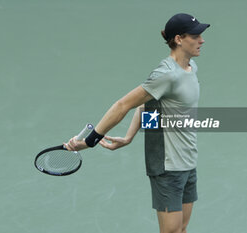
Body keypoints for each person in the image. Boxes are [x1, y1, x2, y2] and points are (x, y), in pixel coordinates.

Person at [65, 13, 210, 233]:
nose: (202, 40)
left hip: (188, 161)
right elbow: (123, 105)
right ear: (179, 39)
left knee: (181, 228)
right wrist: (92, 140)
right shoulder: (166, 75)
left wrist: (129, 136)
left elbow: (148, 106)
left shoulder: (191, 68)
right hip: (167, 166)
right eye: (196, 35)